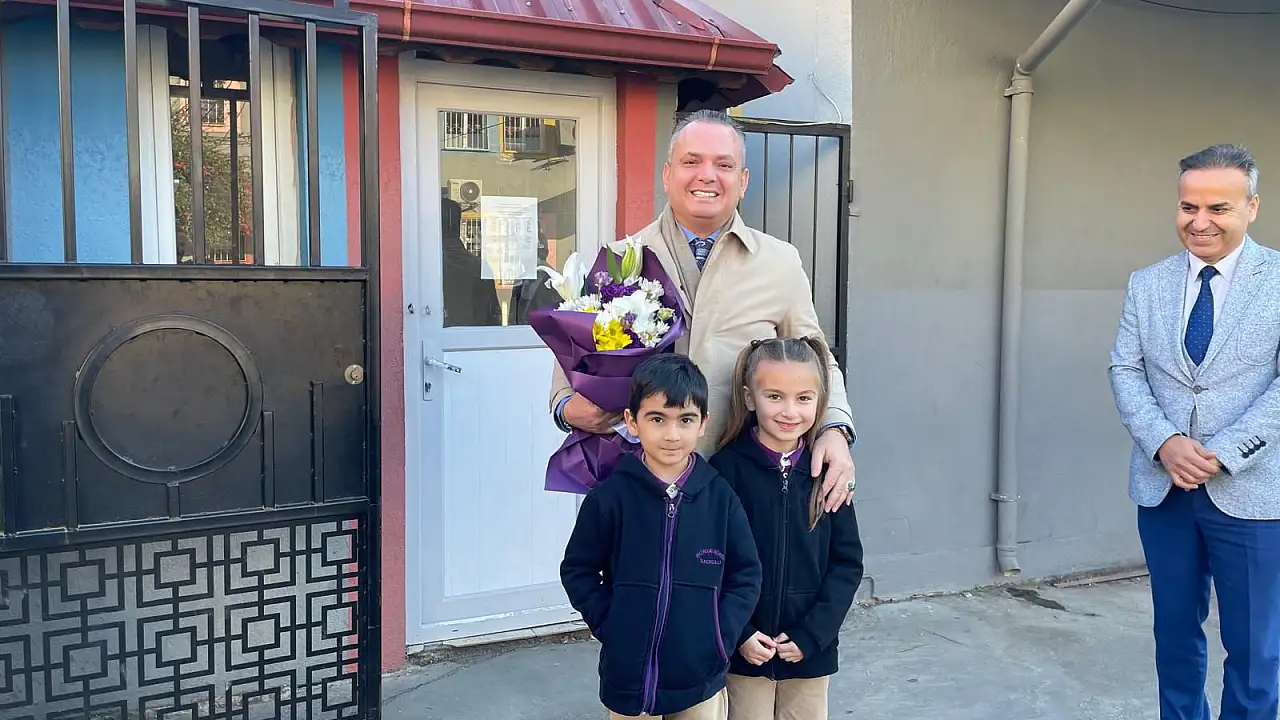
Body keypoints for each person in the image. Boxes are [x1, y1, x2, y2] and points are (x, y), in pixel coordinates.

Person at [549, 110, 857, 513]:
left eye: (724, 165)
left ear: (743, 181)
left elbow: (815, 358)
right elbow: (570, 370)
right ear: (667, 175)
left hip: (743, 486)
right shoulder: (621, 261)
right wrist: (567, 409)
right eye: (691, 161)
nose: (707, 175)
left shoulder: (779, 263)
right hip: (640, 483)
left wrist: (834, 427)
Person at [1108, 144, 1280, 720]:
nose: (1199, 221)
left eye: (1218, 208)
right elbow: (1126, 369)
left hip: (1253, 493)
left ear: (1252, 207)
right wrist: (1164, 443)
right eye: (1188, 207)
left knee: (1254, 649)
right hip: (1164, 492)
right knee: (1175, 638)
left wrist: (1223, 453)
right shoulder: (1147, 283)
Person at [560, 353, 763, 719]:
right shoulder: (611, 498)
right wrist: (611, 623)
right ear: (631, 421)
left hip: (699, 678)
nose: (672, 434)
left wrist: (719, 635)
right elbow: (578, 570)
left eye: (685, 420)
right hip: (629, 678)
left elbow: (746, 575)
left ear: (703, 423)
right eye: (657, 419)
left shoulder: (720, 498)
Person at [709, 337, 863, 720]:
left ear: (820, 401)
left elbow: (846, 564)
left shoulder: (828, 473)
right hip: (745, 653)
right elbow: (710, 562)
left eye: (803, 398)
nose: (790, 411)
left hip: (810, 653)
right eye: (775, 396)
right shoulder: (724, 471)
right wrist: (740, 632)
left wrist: (813, 634)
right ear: (749, 398)